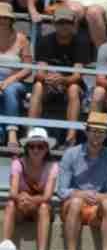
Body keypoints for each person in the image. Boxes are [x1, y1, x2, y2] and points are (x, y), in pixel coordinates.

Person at [57, 109, 107, 250]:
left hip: (97, 208)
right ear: (86, 131)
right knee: (76, 202)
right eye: (93, 130)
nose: (97, 134)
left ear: (106, 134)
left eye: (101, 131)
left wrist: (99, 197)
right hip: (73, 205)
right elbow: (61, 191)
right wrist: (81, 194)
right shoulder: (71, 154)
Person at [30, 8, 93, 149]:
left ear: (73, 24)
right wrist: (51, 79)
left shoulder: (81, 43)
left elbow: (77, 76)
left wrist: (62, 80)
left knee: (74, 88)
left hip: (70, 84)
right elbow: (40, 73)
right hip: (49, 83)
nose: (64, 26)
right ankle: (31, 133)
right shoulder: (44, 41)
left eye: (67, 22)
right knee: (38, 86)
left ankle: (71, 137)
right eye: (60, 22)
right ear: (54, 23)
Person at [2, 126, 56, 250]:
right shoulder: (17, 164)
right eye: (32, 146)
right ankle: (5, 246)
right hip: (22, 206)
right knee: (10, 204)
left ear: (47, 148)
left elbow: (47, 197)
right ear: (27, 148)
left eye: (40, 146)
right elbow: (13, 192)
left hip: (39, 208)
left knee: (43, 208)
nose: (36, 150)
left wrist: (29, 199)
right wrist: (23, 198)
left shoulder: (52, 166)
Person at [0, 3, 33, 155]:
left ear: (10, 19)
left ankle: (12, 133)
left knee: (10, 89)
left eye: (5, 17)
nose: (2, 20)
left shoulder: (22, 39)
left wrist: (9, 80)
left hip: (15, 81)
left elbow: (27, 68)